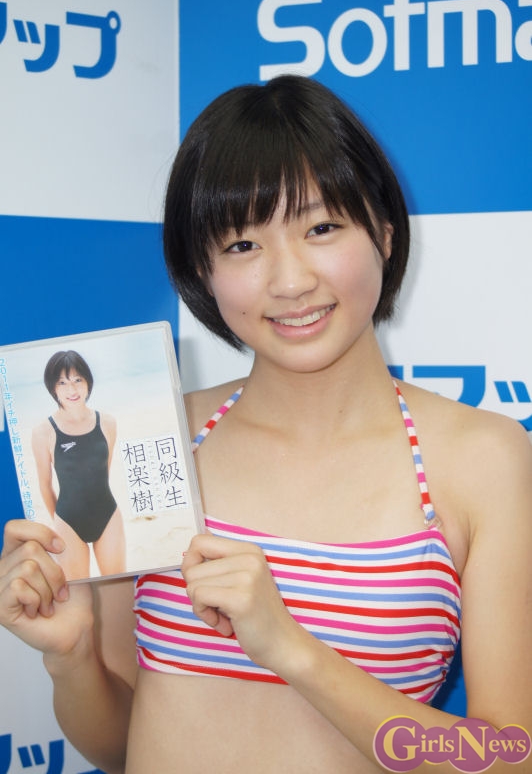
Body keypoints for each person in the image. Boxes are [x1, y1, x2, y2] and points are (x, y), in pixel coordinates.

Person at [1, 75, 531, 774]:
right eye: (243, 245)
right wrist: (71, 659)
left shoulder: (484, 458)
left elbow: (506, 756)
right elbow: (119, 746)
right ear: (203, 270)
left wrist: (289, 648)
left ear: (384, 231)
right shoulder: (160, 436)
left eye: (321, 228)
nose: (289, 281)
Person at [31, 350, 125, 580]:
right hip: (68, 520)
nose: (71, 390)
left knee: (118, 584)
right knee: (79, 590)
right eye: (62, 382)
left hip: (107, 514)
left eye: (77, 380)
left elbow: (103, 471)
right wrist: (60, 522)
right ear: (53, 388)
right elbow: (45, 485)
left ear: (88, 382)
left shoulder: (108, 422)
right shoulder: (43, 431)